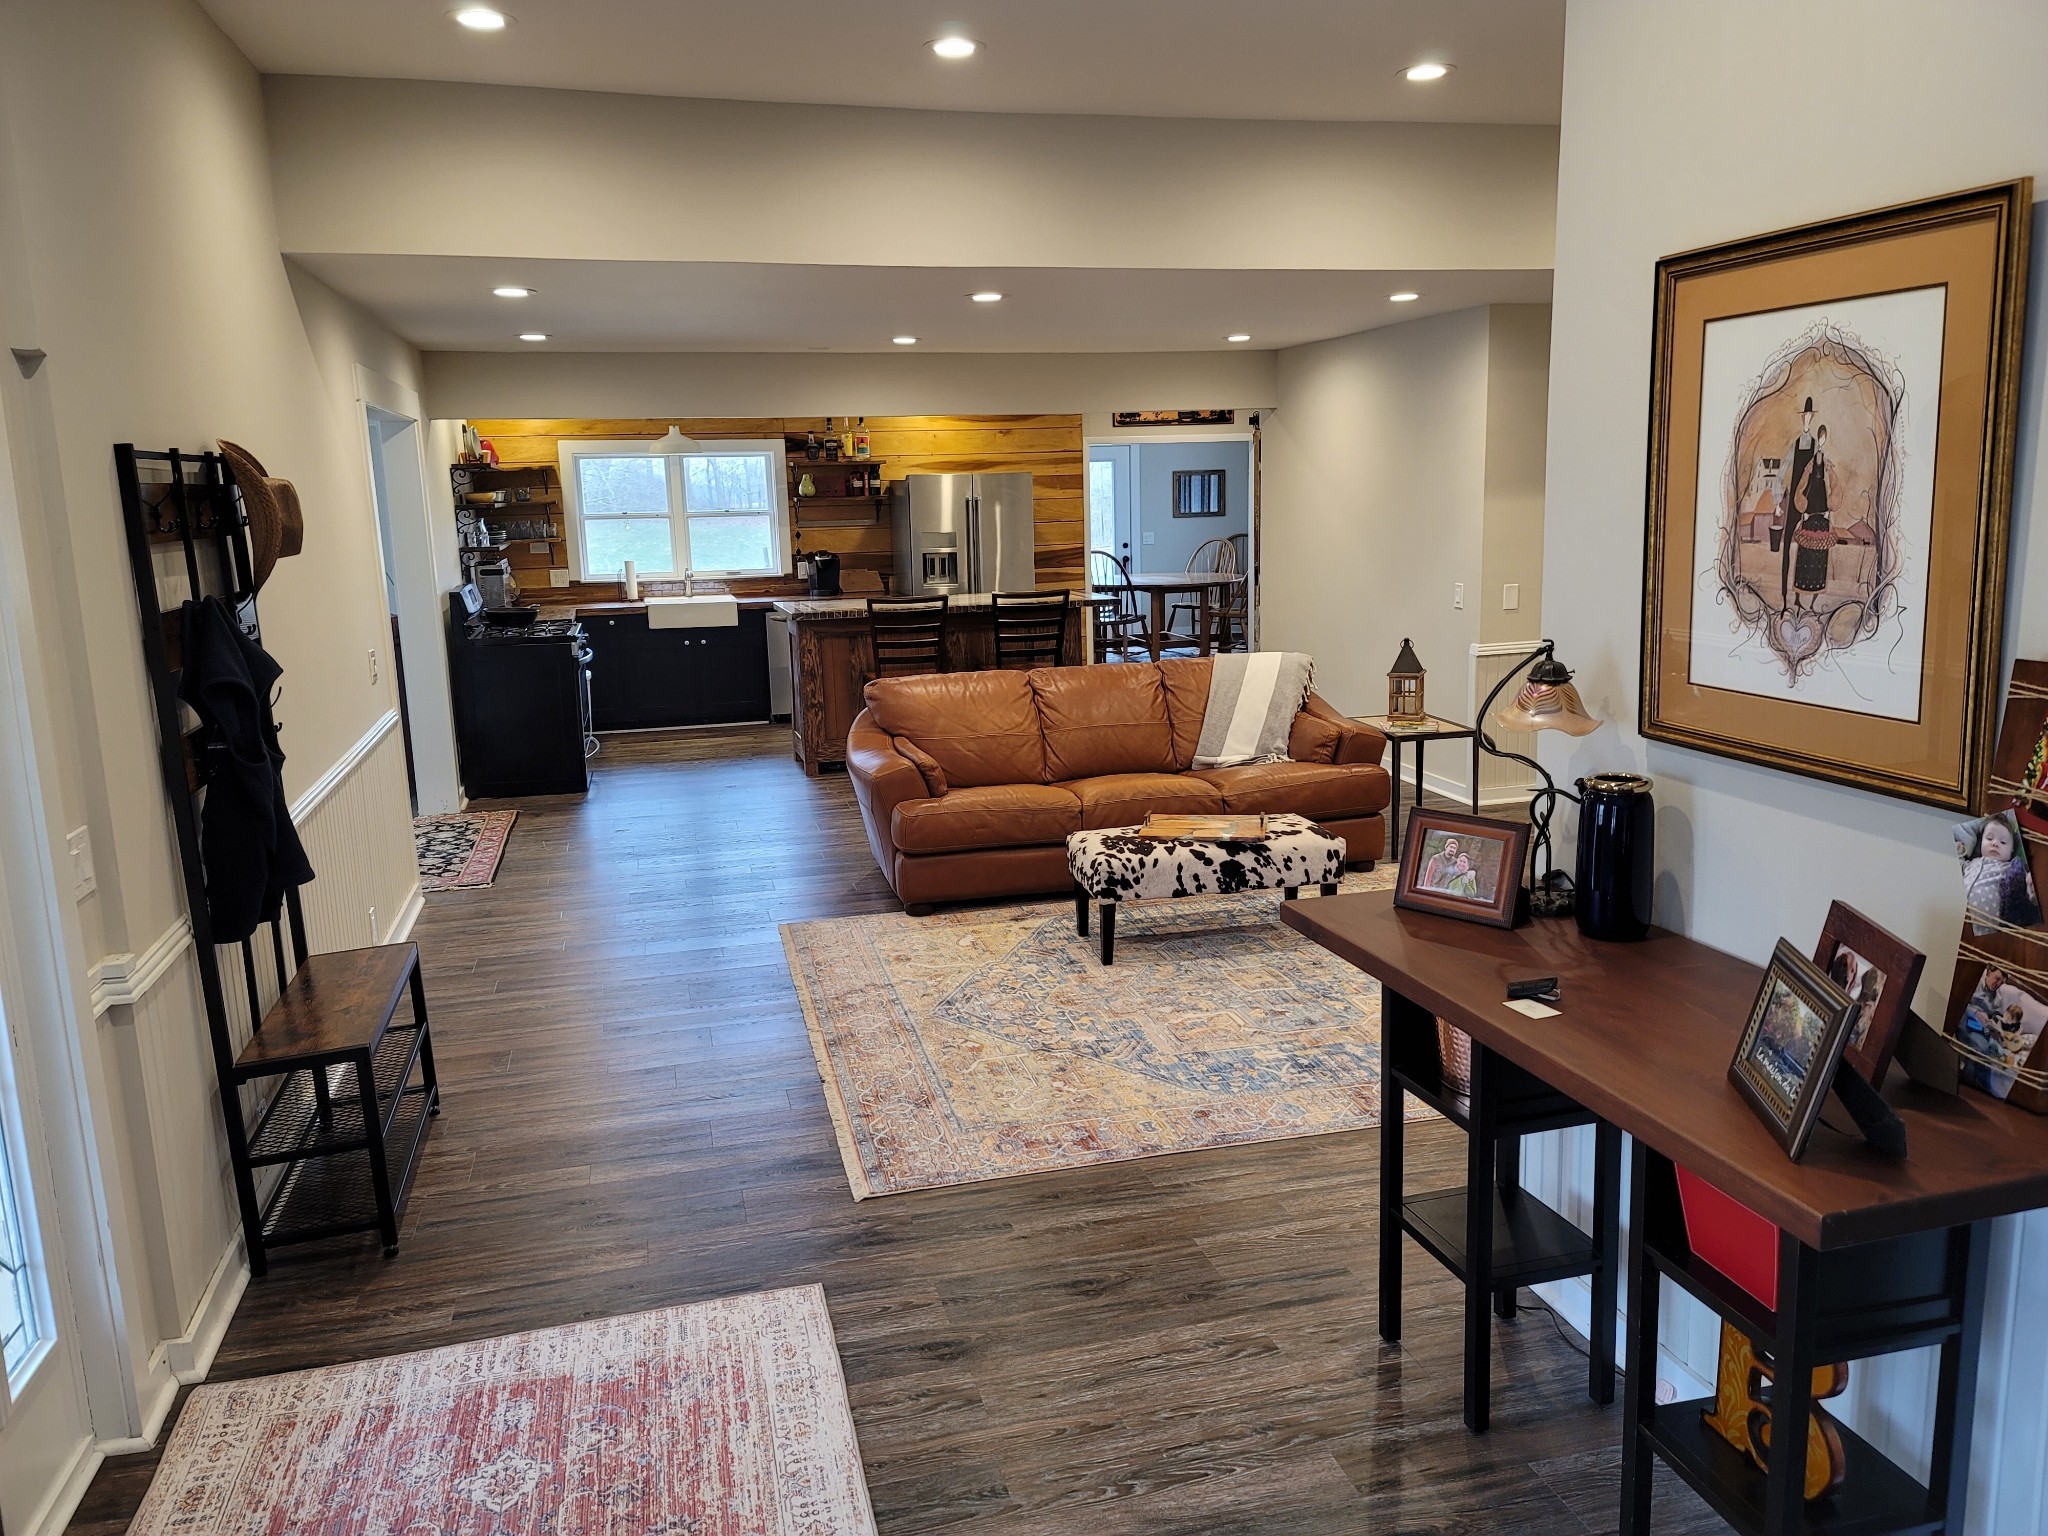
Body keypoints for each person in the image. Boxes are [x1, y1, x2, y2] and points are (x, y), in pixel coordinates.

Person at [1960, 815, 2041, 935]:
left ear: (2012, 850)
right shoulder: (1971, 863)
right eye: (1989, 838)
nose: (1995, 844)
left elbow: (2021, 886)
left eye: (2003, 842)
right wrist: (1960, 852)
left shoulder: (2011, 868)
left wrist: (2031, 888)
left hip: (1987, 931)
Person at [1790, 424, 1835, 607]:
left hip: (1822, 511)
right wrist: (1803, 508)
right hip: (1809, 512)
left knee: (1820, 557)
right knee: (1805, 555)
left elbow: (1834, 482)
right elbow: (1801, 484)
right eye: (1821, 438)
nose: (1822, 442)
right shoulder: (1810, 463)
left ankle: (1814, 601)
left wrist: (1830, 506)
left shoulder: (1828, 463)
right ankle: (1799, 598)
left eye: (1824, 439)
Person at [1779, 397, 1818, 607]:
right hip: (1793, 500)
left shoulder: (1816, 445)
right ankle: (1784, 598)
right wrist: (1778, 500)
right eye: (1805, 416)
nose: (1807, 420)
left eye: (1810, 417)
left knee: (1805, 551)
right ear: (1802, 418)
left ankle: (1798, 597)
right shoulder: (1795, 445)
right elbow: (1782, 471)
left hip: (1808, 506)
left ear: (1812, 419)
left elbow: (1820, 474)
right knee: (1786, 546)